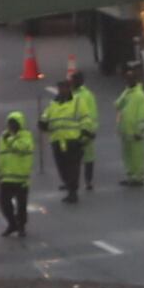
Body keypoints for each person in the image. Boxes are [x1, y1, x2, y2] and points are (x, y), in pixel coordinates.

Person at [43, 70, 94, 203]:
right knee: (62, 168)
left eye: (64, 88)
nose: (62, 91)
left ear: (69, 89)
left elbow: (85, 119)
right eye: (60, 88)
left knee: (73, 167)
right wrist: (42, 123)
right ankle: (69, 185)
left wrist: (85, 134)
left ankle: (73, 191)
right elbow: (46, 117)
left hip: (73, 141)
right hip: (57, 141)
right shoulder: (53, 104)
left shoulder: (77, 102)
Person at [0, 108, 37, 238]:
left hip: (21, 178)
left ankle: (21, 226)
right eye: (10, 123)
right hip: (6, 177)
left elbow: (22, 148)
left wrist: (11, 139)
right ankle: (12, 224)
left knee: (21, 205)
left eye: (14, 123)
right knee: (3, 202)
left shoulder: (26, 137)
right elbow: (1, 155)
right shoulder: (3, 136)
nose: (12, 126)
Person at [115, 67, 144, 189]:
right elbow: (117, 105)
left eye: (131, 78)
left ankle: (138, 177)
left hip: (135, 132)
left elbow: (143, 114)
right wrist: (125, 93)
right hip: (126, 131)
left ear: (135, 80)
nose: (128, 81)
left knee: (137, 155)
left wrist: (140, 130)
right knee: (127, 155)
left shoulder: (140, 96)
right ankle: (130, 176)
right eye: (127, 79)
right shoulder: (127, 93)